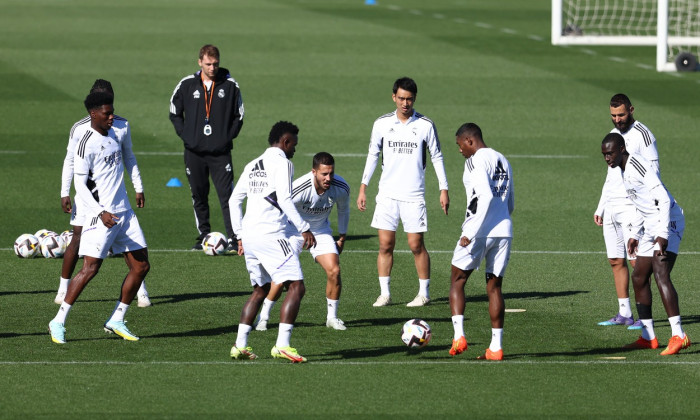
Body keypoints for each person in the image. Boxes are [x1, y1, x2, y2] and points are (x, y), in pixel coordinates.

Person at [48, 91, 151, 344]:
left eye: (112, 111)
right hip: (102, 215)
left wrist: (137, 186)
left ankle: (117, 318)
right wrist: (99, 212)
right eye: (106, 113)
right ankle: (58, 320)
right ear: (93, 114)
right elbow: (80, 185)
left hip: (124, 212)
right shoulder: (86, 142)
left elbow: (127, 160)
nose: (111, 116)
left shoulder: (115, 132)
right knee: (90, 268)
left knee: (141, 266)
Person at [356, 77, 449, 307]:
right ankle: (385, 294)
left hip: (413, 195)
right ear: (393, 97)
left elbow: (437, 156)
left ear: (414, 99)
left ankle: (423, 293)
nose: (405, 103)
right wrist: (363, 187)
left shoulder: (425, 125)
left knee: (416, 245)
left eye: (409, 99)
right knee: (385, 245)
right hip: (387, 194)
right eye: (401, 98)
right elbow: (372, 155)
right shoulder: (381, 124)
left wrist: (443, 188)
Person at [228, 121, 316, 363]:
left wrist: (239, 235)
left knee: (261, 289)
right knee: (297, 287)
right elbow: (286, 200)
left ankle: (240, 345)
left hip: (251, 237)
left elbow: (234, 200)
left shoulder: (253, 164)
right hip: (272, 235)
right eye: (294, 145)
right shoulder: (284, 164)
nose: (295, 150)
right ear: (285, 142)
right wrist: (304, 228)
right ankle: (283, 345)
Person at [601, 133, 690, 355]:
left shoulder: (636, 165)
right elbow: (644, 204)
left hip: (668, 221)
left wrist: (661, 234)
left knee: (661, 273)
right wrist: (638, 234)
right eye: (604, 155)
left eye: (610, 153)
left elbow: (663, 198)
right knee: (639, 276)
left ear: (622, 148)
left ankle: (679, 335)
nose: (607, 158)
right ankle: (648, 337)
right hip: (651, 225)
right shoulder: (622, 170)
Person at [255, 152, 350, 332]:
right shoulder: (299, 187)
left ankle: (332, 317)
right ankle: (264, 317)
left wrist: (342, 236)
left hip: (320, 231)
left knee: (334, 270)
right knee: (283, 275)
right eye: (324, 174)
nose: (328, 178)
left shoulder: (341, 187)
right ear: (313, 172)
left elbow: (344, 210)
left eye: (331, 173)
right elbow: (277, 203)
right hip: (292, 230)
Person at [447, 123, 514, 361]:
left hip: (478, 231)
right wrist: (501, 221)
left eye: (460, 145)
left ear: (470, 141)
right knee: (494, 288)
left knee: (457, 280)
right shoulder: (503, 159)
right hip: (503, 230)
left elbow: (484, 196)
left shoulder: (475, 160)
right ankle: (495, 348)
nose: (460, 150)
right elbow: (511, 202)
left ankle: (459, 336)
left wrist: (472, 232)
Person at [593, 93, 660, 329]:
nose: (617, 119)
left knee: (637, 263)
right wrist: (602, 205)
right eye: (613, 116)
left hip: (633, 207)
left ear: (631, 109)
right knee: (615, 260)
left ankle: (645, 317)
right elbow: (610, 175)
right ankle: (624, 313)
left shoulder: (643, 135)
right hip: (612, 206)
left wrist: (645, 210)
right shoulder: (613, 137)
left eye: (621, 114)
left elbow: (654, 173)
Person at [169, 44, 244, 251]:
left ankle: (234, 237)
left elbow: (240, 115)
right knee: (198, 195)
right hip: (194, 152)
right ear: (200, 62)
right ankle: (203, 236)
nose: (213, 68)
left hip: (220, 153)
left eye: (216, 64)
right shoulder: (187, 85)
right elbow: (174, 111)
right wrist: (186, 135)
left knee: (228, 196)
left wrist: (226, 138)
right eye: (209, 64)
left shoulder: (230, 86)